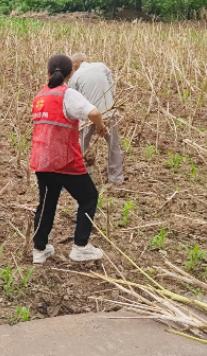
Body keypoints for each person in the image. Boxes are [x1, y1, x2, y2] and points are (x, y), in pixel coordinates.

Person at [30, 54, 109, 264]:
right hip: (65, 160)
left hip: (42, 160)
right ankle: (80, 247)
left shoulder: (40, 97)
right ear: (70, 74)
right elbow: (93, 112)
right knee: (89, 197)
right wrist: (100, 127)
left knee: (47, 203)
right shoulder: (68, 94)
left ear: (47, 73)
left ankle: (39, 249)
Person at [69, 53, 124, 184]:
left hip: (89, 115)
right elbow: (112, 87)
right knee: (113, 145)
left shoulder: (75, 76)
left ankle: (81, 174)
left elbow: (73, 100)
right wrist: (108, 103)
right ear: (86, 61)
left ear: (75, 66)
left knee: (82, 144)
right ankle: (116, 178)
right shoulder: (102, 66)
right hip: (109, 112)